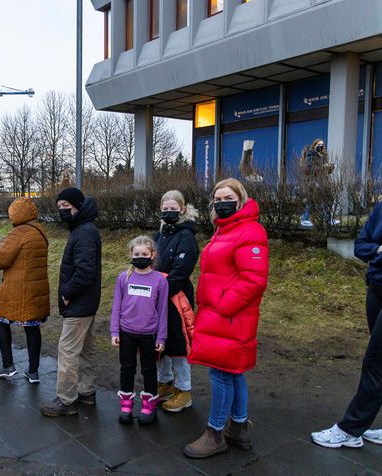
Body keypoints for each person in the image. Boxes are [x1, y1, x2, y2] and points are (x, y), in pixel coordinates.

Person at [311, 152, 382, 451]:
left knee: (376, 360)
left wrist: (379, 252)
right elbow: (360, 246)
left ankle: (351, 429)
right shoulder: (381, 209)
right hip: (376, 288)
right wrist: (380, 250)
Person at [183, 178, 269, 459]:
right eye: (217, 199)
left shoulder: (249, 231)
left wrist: (223, 305)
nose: (221, 203)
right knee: (232, 372)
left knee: (220, 374)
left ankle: (215, 433)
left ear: (241, 199)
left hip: (228, 317)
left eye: (227, 197)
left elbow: (254, 279)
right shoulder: (224, 231)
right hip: (220, 315)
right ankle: (239, 429)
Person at [41, 187, 101, 417]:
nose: (62, 211)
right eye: (59, 208)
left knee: (67, 351)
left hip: (79, 302)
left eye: (66, 206)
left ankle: (66, 400)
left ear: (78, 205)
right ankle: (87, 392)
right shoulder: (83, 229)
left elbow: (85, 272)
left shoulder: (83, 232)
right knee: (85, 349)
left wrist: (67, 293)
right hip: (86, 302)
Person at [111, 235, 168, 425]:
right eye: (136, 254)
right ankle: (126, 406)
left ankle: (149, 407)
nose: (140, 256)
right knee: (127, 368)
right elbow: (116, 307)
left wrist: (162, 336)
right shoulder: (123, 277)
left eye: (144, 253)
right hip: (126, 332)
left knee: (149, 369)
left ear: (153, 255)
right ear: (131, 254)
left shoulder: (160, 281)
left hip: (149, 334)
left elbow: (162, 311)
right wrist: (114, 332)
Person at [0, 198, 49, 382]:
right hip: (36, 288)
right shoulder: (40, 231)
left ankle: (7, 365)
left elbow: (0, 262)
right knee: (32, 327)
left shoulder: (17, 233)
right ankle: (33, 371)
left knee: (1, 321)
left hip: (16, 288)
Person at [154, 190, 199, 413]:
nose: (169, 212)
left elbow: (182, 270)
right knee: (160, 340)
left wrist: (161, 290)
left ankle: (184, 390)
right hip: (158, 295)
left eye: (174, 209)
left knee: (178, 343)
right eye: (166, 208)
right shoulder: (160, 233)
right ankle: (165, 383)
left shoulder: (186, 236)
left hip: (176, 296)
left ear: (182, 209)